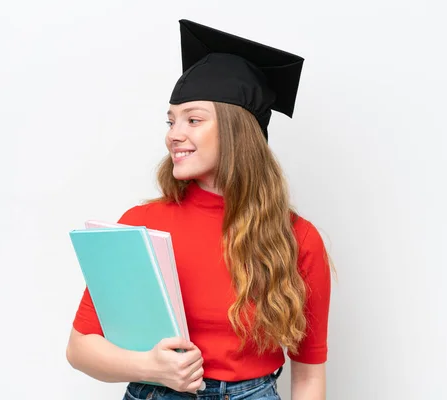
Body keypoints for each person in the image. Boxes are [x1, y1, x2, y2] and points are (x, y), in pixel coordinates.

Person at [66, 19, 332, 400]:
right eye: (171, 120)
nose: (174, 133)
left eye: (193, 119)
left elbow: (308, 377)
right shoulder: (140, 225)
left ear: (237, 130)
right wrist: (150, 367)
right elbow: (80, 348)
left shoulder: (297, 239)